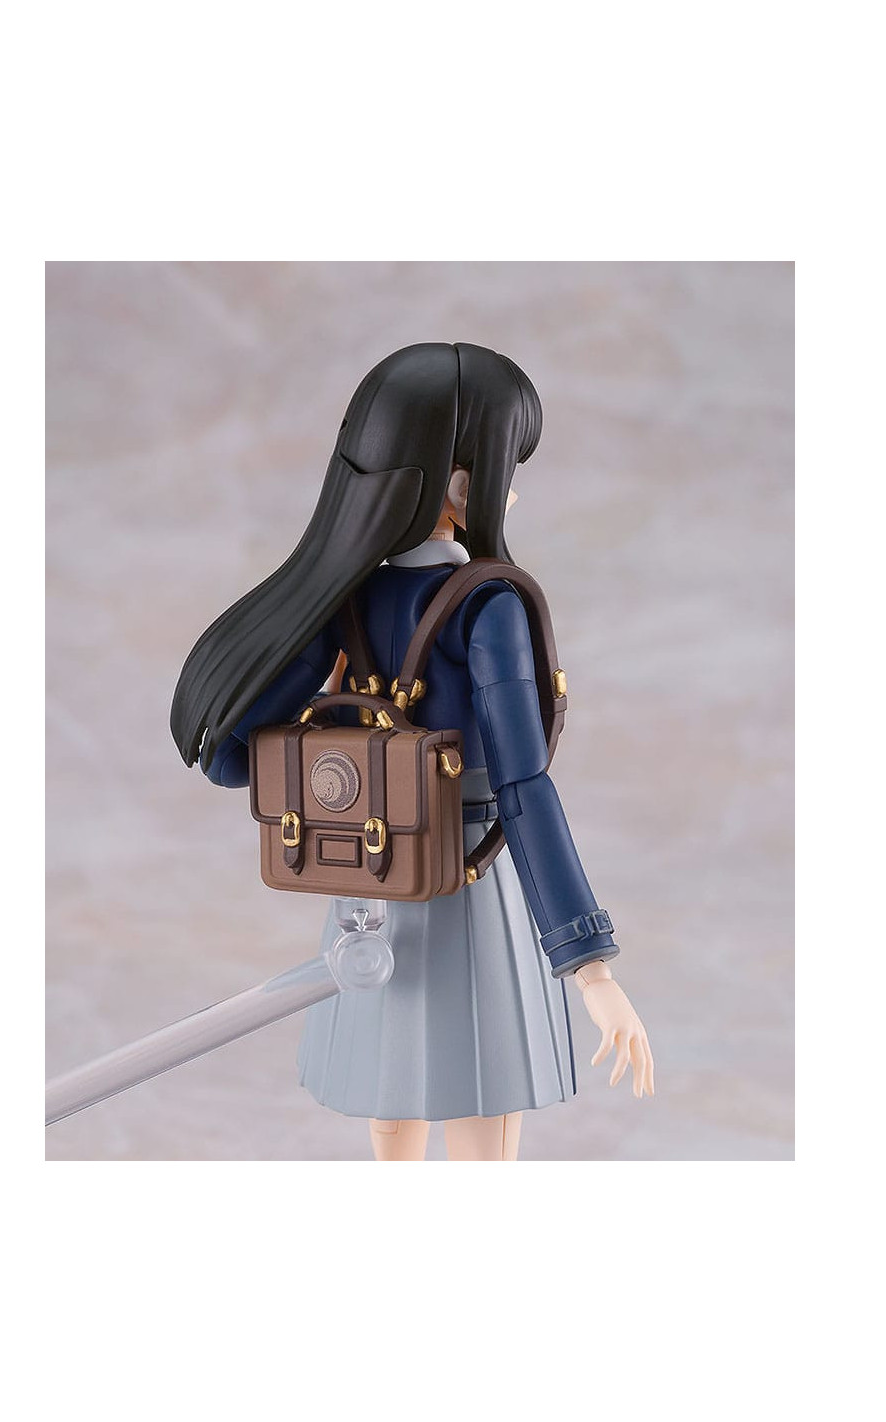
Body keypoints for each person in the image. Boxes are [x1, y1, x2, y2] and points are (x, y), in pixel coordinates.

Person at [170, 343, 653, 1160]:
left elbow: (236, 761)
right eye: (506, 468)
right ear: (462, 486)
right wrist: (590, 965)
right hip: (469, 878)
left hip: (374, 870)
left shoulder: (346, 594)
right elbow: (524, 786)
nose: (510, 489)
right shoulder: (487, 603)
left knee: (392, 1103)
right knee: (480, 1099)